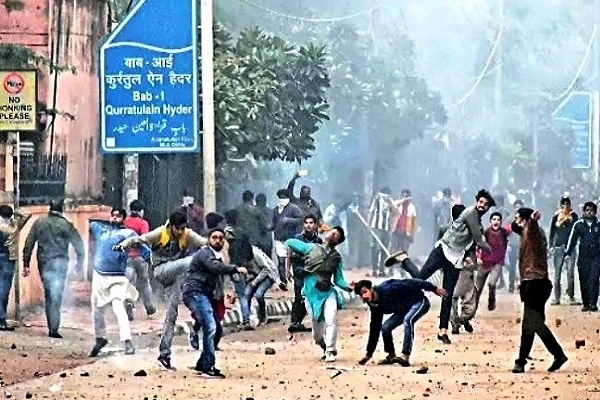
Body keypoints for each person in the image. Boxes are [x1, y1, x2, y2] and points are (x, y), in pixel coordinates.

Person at [389, 189, 494, 345]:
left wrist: (469, 258)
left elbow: (471, 244)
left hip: (456, 259)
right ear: (476, 202)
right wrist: (494, 250)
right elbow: (479, 241)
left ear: (487, 208)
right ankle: (404, 259)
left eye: (485, 205)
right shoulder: (470, 213)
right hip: (443, 251)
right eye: (481, 202)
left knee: (447, 294)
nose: (482, 206)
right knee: (420, 279)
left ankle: (443, 330)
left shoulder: (478, 223)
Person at [114, 210, 207, 370]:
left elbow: (205, 243)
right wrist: (123, 245)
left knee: (172, 315)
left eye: (183, 228)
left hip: (176, 275)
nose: (180, 232)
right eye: (177, 228)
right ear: (171, 226)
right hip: (161, 271)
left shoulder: (187, 234)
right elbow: (138, 239)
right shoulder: (160, 233)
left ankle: (164, 355)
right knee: (193, 260)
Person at [182, 227, 247, 378]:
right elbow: (215, 267)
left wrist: (231, 291)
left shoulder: (220, 256)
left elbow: (220, 277)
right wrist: (235, 268)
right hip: (195, 292)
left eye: (220, 238)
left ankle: (203, 363)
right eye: (214, 237)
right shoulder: (205, 253)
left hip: (206, 295)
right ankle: (208, 368)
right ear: (208, 239)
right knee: (210, 326)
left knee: (216, 329)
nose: (217, 240)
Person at [510, 207, 567, 373]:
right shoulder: (529, 233)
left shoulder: (532, 231)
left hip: (534, 284)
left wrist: (533, 220)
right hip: (537, 283)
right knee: (532, 324)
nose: (515, 222)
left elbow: (531, 228)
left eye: (518, 218)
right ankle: (523, 361)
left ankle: (553, 354)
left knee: (531, 323)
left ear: (524, 220)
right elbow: (514, 227)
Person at [285, 226, 352, 362]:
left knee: (331, 320)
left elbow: (338, 279)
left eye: (336, 235)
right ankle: (323, 344)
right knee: (317, 331)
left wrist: (349, 287)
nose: (333, 235)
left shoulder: (336, 258)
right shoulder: (310, 248)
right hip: (310, 293)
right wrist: (289, 265)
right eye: (332, 232)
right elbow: (289, 243)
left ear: (338, 241)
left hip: (328, 292)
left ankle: (330, 351)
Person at [22, 199, 85, 338]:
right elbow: (79, 245)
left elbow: (29, 243)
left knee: (49, 293)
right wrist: (79, 263)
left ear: (50, 208)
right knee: (56, 295)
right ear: (61, 209)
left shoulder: (40, 222)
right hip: (61, 263)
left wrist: (26, 263)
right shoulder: (66, 225)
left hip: (44, 262)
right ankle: (53, 328)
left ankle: (52, 325)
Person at [88, 209, 148, 357]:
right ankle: (100, 338)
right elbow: (91, 223)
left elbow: (145, 250)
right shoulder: (101, 230)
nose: (114, 218)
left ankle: (127, 342)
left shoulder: (128, 234)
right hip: (99, 275)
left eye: (118, 216)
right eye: (113, 216)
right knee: (96, 308)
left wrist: (150, 260)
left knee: (118, 307)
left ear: (124, 219)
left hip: (117, 276)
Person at [355, 279, 445, 367]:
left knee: (408, 320)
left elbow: (411, 282)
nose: (363, 296)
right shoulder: (373, 304)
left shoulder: (389, 288)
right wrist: (369, 353)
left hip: (418, 301)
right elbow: (375, 327)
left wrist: (433, 288)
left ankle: (405, 356)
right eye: (360, 294)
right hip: (403, 309)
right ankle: (391, 355)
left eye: (364, 292)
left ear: (371, 289)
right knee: (385, 328)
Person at [287, 214, 323, 333]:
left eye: (311, 223)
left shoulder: (318, 240)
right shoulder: (297, 238)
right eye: (306, 223)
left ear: (315, 225)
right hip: (299, 271)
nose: (308, 225)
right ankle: (294, 322)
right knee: (299, 296)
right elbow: (290, 253)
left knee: (308, 297)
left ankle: (299, 321)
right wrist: (287, 270)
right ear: (303, 224)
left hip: (312, 273)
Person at [564, 201, 600, 312]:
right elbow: (572, 239)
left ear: (595, 212)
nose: (590, 212)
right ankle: (585, 303)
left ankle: (593, 303)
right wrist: (568, 252)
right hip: (583, 257)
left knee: (594, 279)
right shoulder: (578, 224)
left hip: (596, 256)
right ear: (584, 211)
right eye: (587, 210)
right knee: (584, 280)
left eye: (592, 210)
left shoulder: (598, 224)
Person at [123, 200, 156, 319]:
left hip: (127, 257)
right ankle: (149, 307)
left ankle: (129, 305)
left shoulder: (124, 222)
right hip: (141, 258)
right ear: (141, 211)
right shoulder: (143, 223)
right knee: (145, 283)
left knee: (129, 283)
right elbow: (145, 239)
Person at [0, 205, 31, 331]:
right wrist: (15, 209)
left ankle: (1, 319)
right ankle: (2, 319)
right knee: (4, 290)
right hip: (8, 259)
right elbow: (27, 214)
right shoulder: (14, 226)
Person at [475, 212, 510, 311]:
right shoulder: (486, 233)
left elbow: (512, 226)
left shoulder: (504, 232)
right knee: (477, 289)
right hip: (484, 263)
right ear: (490, 221)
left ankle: (491, 301)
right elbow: (478, 246)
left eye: (498, 220)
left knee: (492, 283)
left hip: (497, 263)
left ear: (501, 222)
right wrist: (478, 258)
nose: (496, 222)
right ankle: (472, 308)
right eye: (494, 219)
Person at [548, 196, 579, 305]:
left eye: (567, 204)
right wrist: (550, 246)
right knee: (557, 274)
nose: (565, 206)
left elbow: (577, 231)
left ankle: (571, 296)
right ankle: (557, 297)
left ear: (570, 205)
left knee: (570, 273)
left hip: (570, 248)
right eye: (563, 204)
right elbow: (552, 232)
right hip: (558, 247)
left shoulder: (574, 217)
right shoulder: (556, 216)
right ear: (560, 205)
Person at [273, 189, 303, 290]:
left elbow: (300, 219)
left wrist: (289, 220)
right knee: (281, 261)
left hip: (291, 239)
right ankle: (283, 281)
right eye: (280, 197)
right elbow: (273, 223)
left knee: (293, 260)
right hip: (279, 239)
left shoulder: (294, 208)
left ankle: (296, 281)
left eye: (284, 197)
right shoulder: (275, 209)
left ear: (288, 198)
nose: (282, 199)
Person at [389, 189, 417, 255]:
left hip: (406, 233)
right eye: (403, 196)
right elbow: (392, 206)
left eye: (406, 196)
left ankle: (402, 264)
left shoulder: (412, 207)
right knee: (394, 249)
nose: (405, 198)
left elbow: (414, 222)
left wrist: (412, 235)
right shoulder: (398, 204)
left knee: (404, 251)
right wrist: (402, 200)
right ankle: (393, 264)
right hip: (396, 231)